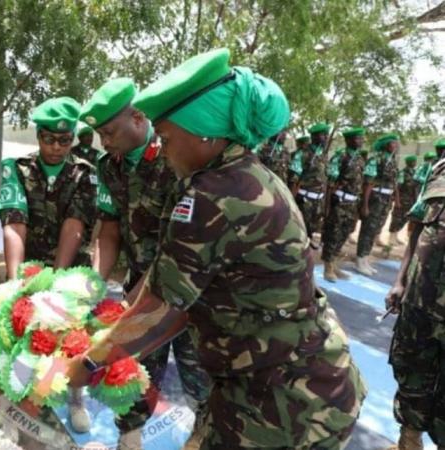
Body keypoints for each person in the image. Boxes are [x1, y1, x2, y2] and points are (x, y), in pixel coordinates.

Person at [65, 48, 366, 449]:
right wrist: (117, 330)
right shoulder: (248, 176)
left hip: (279, 403)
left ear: (205, 132)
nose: (165, 149)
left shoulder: (212, 193)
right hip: (295, 383)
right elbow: (174, 302)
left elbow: (161, 310)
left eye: (168, 139)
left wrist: (87, 363)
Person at [80, 77, 210, 449]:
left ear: (137, 118)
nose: (104, 142)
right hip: (140, 283)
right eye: (100, 135)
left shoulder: (175, 158)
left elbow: (180, 244)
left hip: (186, 291)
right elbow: (108, 228)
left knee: (198, 373)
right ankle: (130, 435)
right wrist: (94, 282)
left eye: (109, 132)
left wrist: (135, 300)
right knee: (131, 369)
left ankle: (202, 434)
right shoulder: (111, 166)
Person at [0, 96, 97, 433]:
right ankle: (16, 396)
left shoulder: (85, 174)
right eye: (48, 138)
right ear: (38, 136)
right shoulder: (16, 168)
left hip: (69, 273)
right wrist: (16, 282)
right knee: (22, 336)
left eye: (64, 140)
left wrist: (58, 280)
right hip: (29, 268)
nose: (55, 147)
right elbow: (14, 222)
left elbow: (75, 225)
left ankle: (75, 397)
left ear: (73, 139)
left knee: (72, 338)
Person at [384, 158, 445, 450]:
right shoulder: (440, 168)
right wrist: (401, 280)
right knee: (410, 370)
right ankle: (408, 443)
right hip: (420, 303)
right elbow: (418, 228)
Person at [322, 127, 367, 282]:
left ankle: (334, 264)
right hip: (339, 202)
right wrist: (327, 206)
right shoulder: (340, 157)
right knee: (333, 234)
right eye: (357, 139)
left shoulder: (360, 159)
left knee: (344, 234)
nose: (360, 142)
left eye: (361, 139)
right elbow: (330, 183)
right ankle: (327, 267)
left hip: (353, 203)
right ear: (348, 141)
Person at [355, 134, 400, 275]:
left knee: (376, 229)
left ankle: (365, 259)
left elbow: (394, 182)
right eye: (393, 143)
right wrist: (365, 205)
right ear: (386, 145)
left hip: (386, 199)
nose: (395, 146)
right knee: (368, 229)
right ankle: (359, 260)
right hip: (376, 198)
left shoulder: (392, 160)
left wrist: (395, 199)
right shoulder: (376, 159)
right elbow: (368, 183)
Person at [289, 124, 330, 249]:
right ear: (314, 137)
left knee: (311, 231)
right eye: (323, 135)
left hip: (318, 200)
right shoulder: (302, 154)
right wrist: (291, 204)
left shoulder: (323, 154)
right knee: (300, 231)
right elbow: (293, 181)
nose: (326, 138)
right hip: (304, 200)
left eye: (326, 135)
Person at [388, 155, 420, 246]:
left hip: (411, 200)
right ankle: (391, 238)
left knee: (405, 219)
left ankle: (396, 237)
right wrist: (397, 201)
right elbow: (397, 187)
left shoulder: (415, 172)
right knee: (397, 218)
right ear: (408, 163)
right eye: (413, 161)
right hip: (402, 200)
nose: (415, 163)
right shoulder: (403, 173)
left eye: (415, 161)